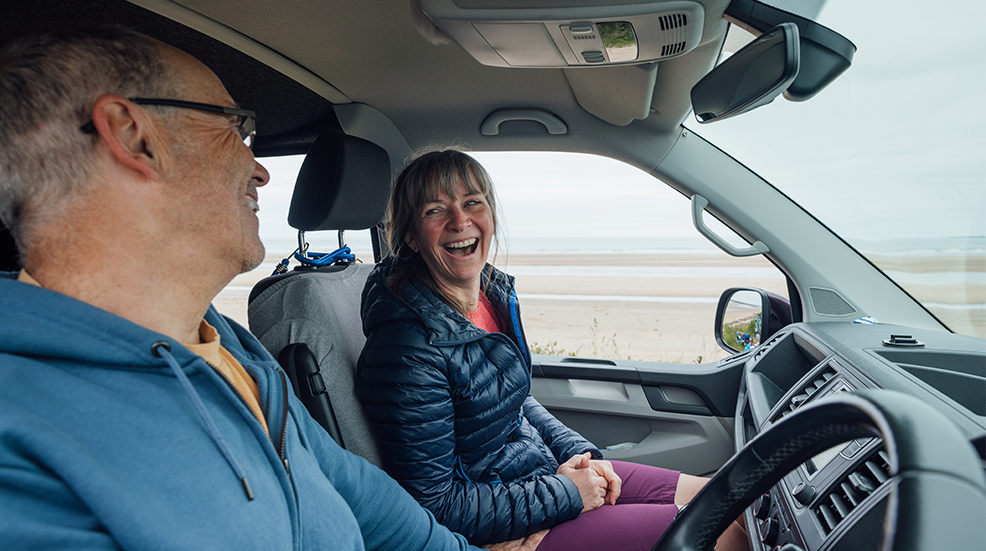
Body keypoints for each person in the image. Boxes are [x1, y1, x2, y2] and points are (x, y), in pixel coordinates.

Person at [0, 25, 544, 551]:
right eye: (234, 128)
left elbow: (357, 491)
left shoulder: (230, 345)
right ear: (132, 135)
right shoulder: (21, 441)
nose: (258, 169)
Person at [357, 149, 749, 551]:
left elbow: (515, 401)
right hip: (499, 523)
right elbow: (434, 504)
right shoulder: (408, 349)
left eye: (472, 202)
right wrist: (566, 496)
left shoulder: (490, 296)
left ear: (490, 214)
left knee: (738, 502)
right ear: (410, 236)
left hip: (536, 478)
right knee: (724, 534)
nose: (460, 221)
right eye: (435, 211)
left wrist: (579, 455)